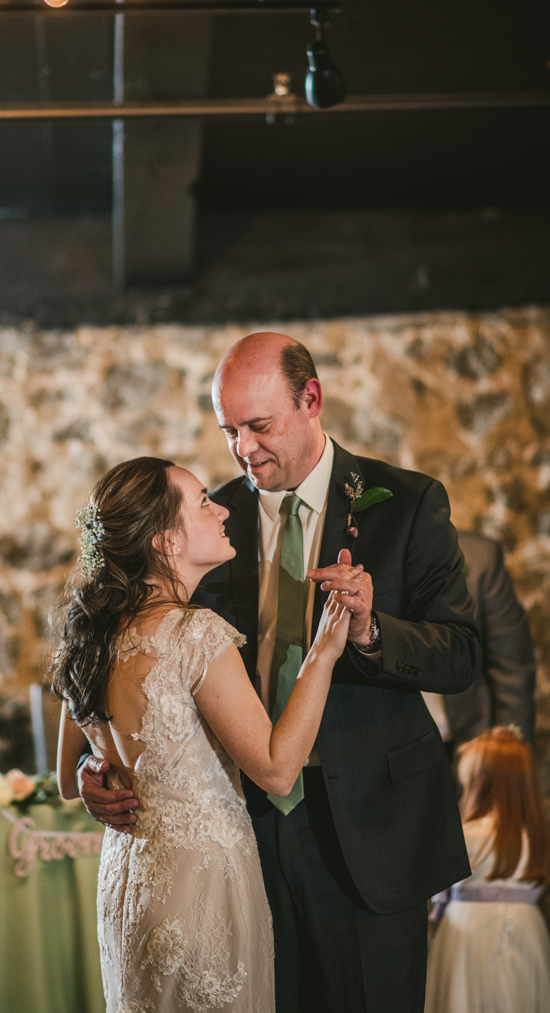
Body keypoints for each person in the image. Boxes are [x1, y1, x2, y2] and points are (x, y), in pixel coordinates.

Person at [79, 332, 483, 1013]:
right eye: (229, 429)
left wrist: (371, 630)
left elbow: (461, 653)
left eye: (258, 425)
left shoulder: (407, 503)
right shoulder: (208, 521)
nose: (242, 448)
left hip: (370, 828)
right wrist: (103, 764)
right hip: (240, 833)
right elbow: (142, 653)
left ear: (311, 400)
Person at [53, 455, 352, 1013]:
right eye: (203, 502)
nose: (221, 510)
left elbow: (68, 778)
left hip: (131, 885)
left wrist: (90, 773)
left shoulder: (91, 635)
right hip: (203, 891)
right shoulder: (195, 634)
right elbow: (277, 769)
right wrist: (325, 651)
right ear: (166, 542)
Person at [425, 726, 550, 1013]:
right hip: (527, 930)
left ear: (482, 783)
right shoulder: (535, 838)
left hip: (469, 931)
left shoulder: (467, 836)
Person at [423, 530, 536, 747]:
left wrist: (506, 757)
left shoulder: (479, 556)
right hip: (390, 754)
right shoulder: (357, 559)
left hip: (470, 742)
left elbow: (512, 672)